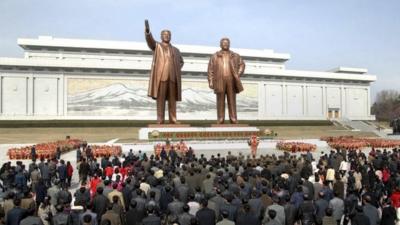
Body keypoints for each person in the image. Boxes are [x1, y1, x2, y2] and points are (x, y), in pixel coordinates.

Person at [144, 19, 184, 124]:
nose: (166, 36)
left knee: (172, 100)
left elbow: (181, 62)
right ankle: (160, 119)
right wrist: (148, 33)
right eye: (164, 35)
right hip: (161, 76)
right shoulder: (157, 46)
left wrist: (176, 69)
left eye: (168, 35)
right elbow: (150, 42)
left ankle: (173, 119)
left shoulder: (176, 50)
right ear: (161, 36)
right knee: (160, 99)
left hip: (172, 77)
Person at [207, 37, 245, 124]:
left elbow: (242, 65)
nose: (225, 44)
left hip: (231, 80)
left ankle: (233, 118)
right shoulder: (215, 56)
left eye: (227, 43)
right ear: (220, 45)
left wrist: (238, 74)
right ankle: (220, 118)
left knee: (232, 100)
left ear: (229, 44)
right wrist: (211, 81)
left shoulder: (235, 55)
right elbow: (210, 69)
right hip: (219, 80)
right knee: (220, 101)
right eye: (223, 43)